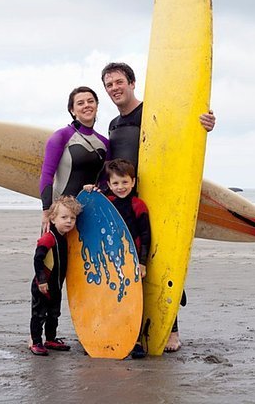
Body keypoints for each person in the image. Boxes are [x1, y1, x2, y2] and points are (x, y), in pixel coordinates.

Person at [101, 62, 216, 353]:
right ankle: (133, 329)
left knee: (161, 260)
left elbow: (180, 132)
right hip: (127, 200)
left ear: (132, 82)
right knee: (130, 265)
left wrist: (204, 123)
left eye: (119, 82)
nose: (114, 88)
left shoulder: (151, 111)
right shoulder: (113, 125)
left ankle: (171, 329)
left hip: (157, 197)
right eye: (109, 84)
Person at [85, 158, 151, 359]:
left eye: (124, 182)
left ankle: (136, 340)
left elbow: (146, 235)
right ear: (108, 184)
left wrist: (142, 262)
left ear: (133, 181)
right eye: (115, 183)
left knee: (133, 302)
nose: (120, 187)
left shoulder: (138, 205)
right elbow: (90, 214)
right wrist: (90, 191)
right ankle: (109, 336)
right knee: (110, 300)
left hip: (131, 261)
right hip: (109, 260)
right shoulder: (107, 202)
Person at [39, 86, 109, 234]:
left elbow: (104, 180)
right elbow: (47, 174)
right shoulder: (61, 136)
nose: (87, 105)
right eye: (80, 103)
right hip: (61, 215)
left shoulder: (104, 142)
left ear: (96, 106)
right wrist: (46, 211)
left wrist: (100, 191)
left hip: (89, 213)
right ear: (72, 110)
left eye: (90, 101)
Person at [29, 195, 82, 356]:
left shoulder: (65, 238)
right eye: (64, 217)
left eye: (72, 218)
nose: (69, 221)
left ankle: (50, 339)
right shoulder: (48, 239)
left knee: (54, 313)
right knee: (39, 314)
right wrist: (42, 281)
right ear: (52, 219)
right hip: (42, 285)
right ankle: (36, 341)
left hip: (56, 285)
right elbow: (38, 259)